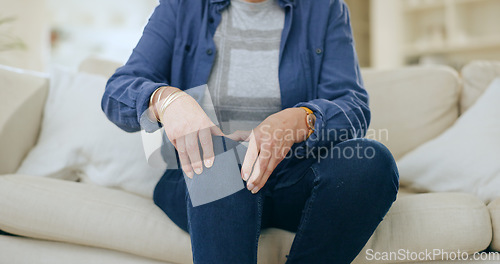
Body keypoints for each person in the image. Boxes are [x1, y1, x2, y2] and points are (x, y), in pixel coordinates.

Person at [101, 0, 399, 263]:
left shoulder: (326, 8)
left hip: (292, 177)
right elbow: (117, 91)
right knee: (221, 160)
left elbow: (354, 106)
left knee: (372, 161)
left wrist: (302, 118)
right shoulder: (180, 6)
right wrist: (167, 100)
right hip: (201, 175)